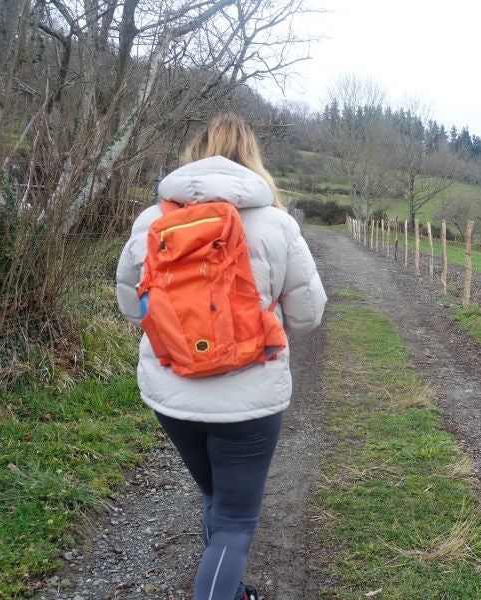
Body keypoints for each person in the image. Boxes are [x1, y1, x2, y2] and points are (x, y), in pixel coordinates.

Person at [116, 113, 327, 600]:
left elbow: (132, 305)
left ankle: (227, 591)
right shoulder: (277, 223)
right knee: (235, 522)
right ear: (253, 161)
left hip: (172, 394)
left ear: (192, 155)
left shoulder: (153, 221)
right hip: (249, 400)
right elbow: (309, 314)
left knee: (215, 496)